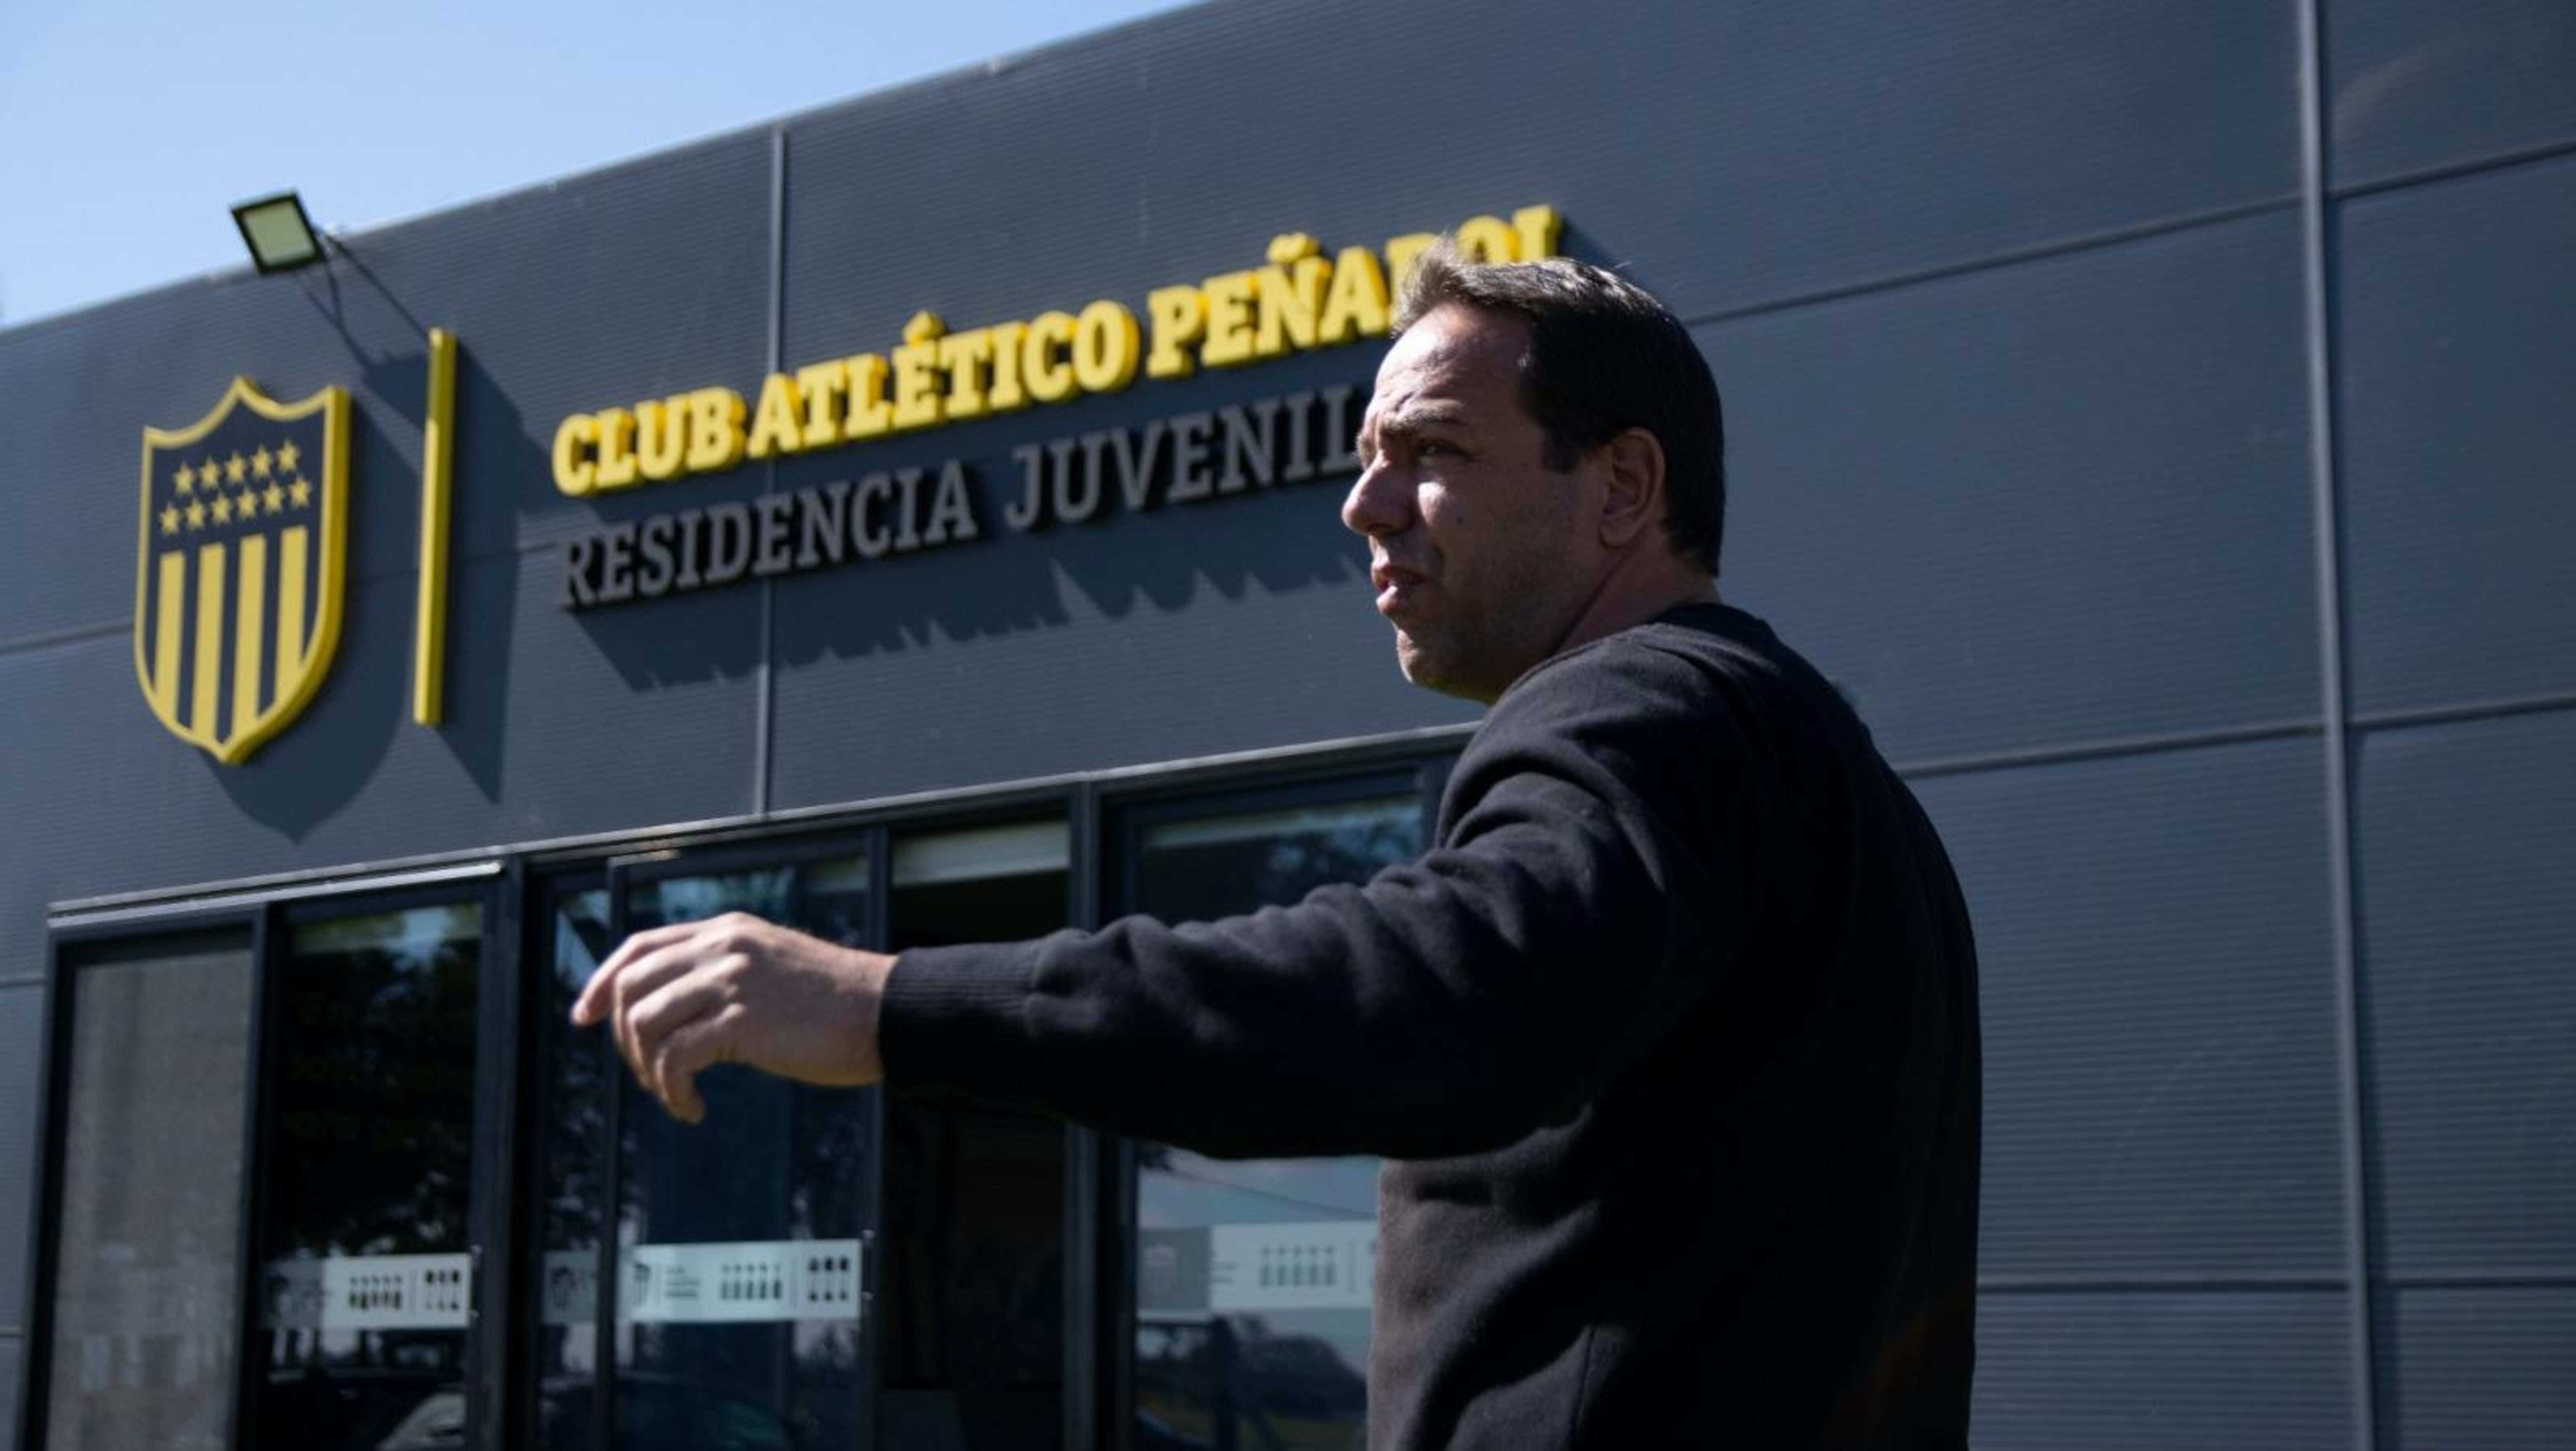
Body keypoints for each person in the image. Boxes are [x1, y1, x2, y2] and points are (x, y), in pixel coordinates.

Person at [575, 240, 1981, 1449]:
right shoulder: (1836, 790)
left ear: (1623, 487)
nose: (1365, 506)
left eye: (1434, 451)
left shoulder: (1646, 707)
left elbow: (1427, 998)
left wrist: (885, 1002)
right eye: (1367, 459)